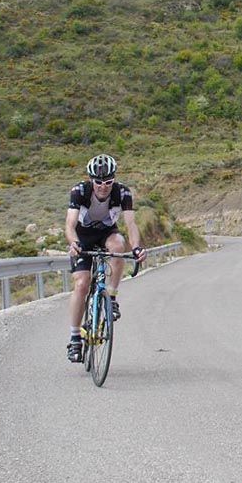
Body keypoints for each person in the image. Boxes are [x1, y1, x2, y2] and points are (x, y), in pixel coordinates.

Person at [64, 154, 145, 363]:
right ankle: (75, 338)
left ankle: (112, 297)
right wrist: (73, 243)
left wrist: (136, 248)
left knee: (118, 246)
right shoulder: (80, 191)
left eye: (108, 182)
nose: (103, 187)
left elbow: (131, 224)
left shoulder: (122, 192)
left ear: (114, 179)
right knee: (81, 284)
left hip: (107, 234)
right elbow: (70, 224)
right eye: (98, 182)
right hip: (83, 238)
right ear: (91, 180)